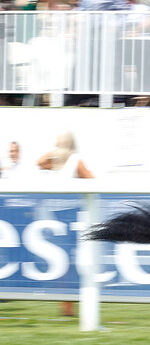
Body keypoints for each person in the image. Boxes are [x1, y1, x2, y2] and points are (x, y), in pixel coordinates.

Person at [36, 130, 94, 317]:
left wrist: (56, 151)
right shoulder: (75, 161)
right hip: (72, 219)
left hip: (56, 220)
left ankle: (66, 305)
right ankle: (70, 305)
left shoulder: (56, 162)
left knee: (64, 264)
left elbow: (39, 162)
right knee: (73, 264)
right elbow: (94, 182)